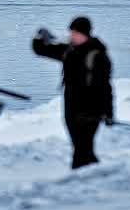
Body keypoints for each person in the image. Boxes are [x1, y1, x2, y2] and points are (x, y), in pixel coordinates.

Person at [32, 16, 114, 169]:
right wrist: (40, 37)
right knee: (80, 146)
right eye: (71, 32)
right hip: (71, 106)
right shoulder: (69, 51)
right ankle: (93, 174)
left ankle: (81, 178)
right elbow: (41, 50)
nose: (71, 35)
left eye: (75, 33)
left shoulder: (97, 56)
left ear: (85, 34)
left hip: (91, 108)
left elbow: (105, 87)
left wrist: (108, 112)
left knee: (82, 147)